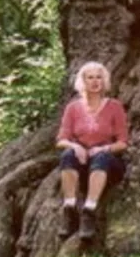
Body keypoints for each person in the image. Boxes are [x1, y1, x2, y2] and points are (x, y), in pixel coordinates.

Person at [55, 61, 129, 240]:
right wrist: (76, 146)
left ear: (104, 81)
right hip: (82, 160)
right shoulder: (73, 108)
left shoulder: (114, 106)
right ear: (83, 81)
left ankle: (89, 210)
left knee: (102, 157)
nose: (95, 81)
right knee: (67, 155)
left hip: (108, 162)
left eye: (99, 77)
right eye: (90, 78)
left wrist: (104, 148)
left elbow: (123, 142)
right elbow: (61, 140)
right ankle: (70, 209)